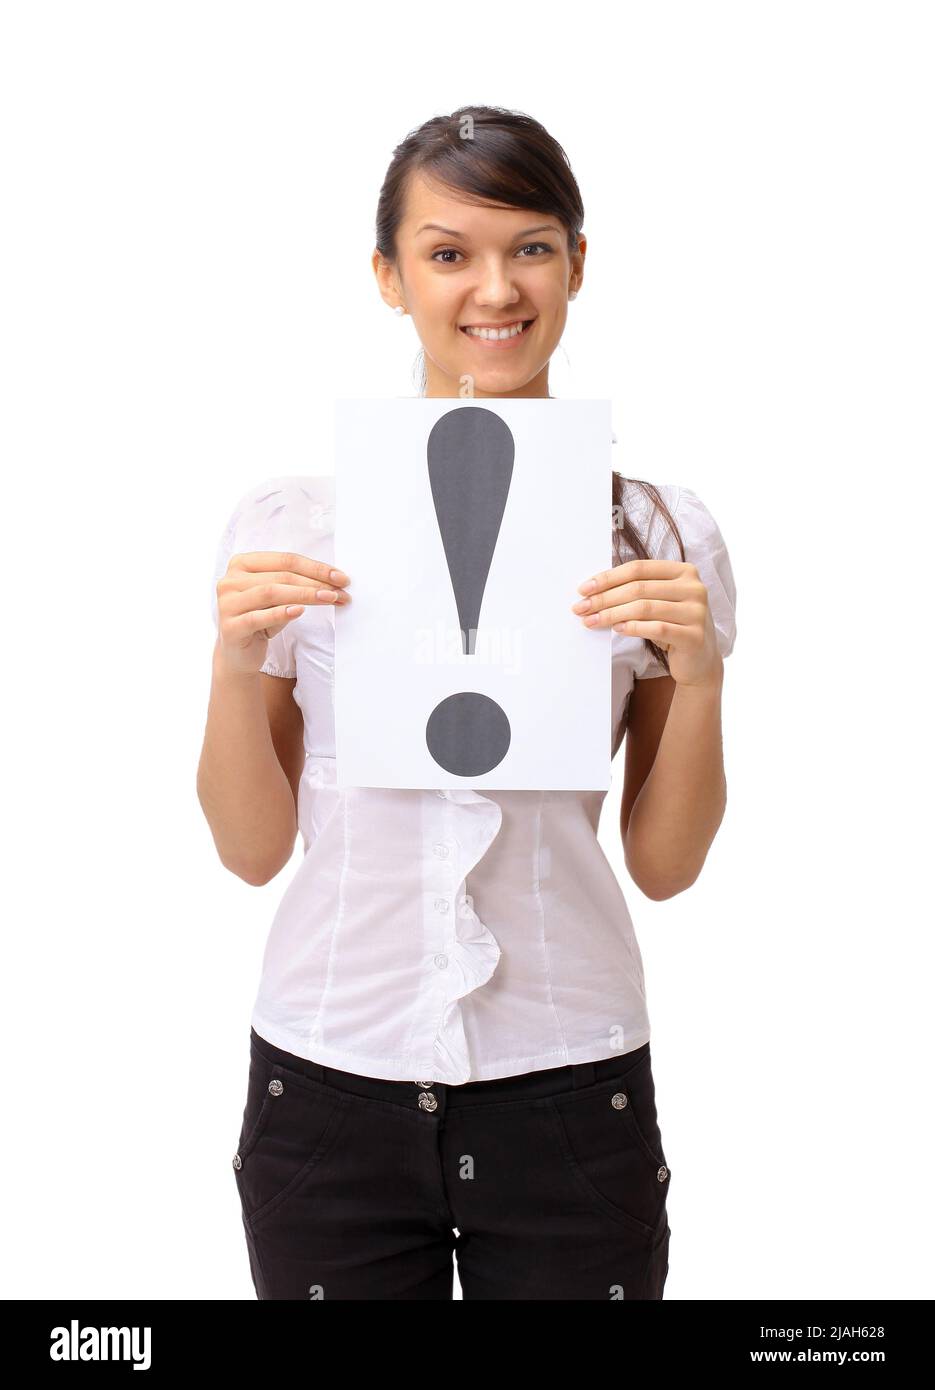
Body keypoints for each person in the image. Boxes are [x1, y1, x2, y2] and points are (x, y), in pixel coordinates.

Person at [197, 105, 737, 1301]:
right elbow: (248, 849)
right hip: (330, 1072)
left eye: (530, 247)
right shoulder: (291, 528)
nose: (493, 289)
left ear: (576, 264)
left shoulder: (654, 533)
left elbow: (664, 862)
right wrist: (237, 666)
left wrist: (696, 678)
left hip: (567, 1071)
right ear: (389, 278)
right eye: (446, 253)